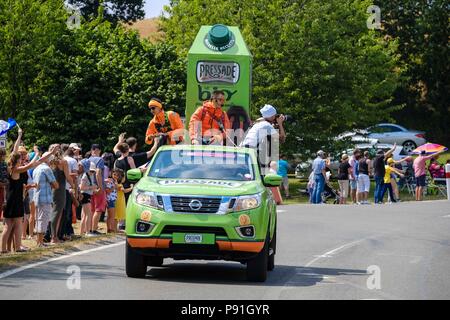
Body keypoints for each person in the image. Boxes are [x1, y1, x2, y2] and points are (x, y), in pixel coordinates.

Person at [240, 104, 286, 174]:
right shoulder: (266, 125)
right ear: (272, 116)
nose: (275, 117)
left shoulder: (258, 124)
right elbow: (282, 139)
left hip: (244, 149)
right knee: (262, 172)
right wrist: (280, 124)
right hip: (251, 150)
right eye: (275, 115)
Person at [48, 144, 75, 244]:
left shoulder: (50, 162)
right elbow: (68, 177)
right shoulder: (63, 162)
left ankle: (53, 235)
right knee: (57, 213)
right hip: (60, 190)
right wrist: (73, 186)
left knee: (54, 212)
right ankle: (54, 237)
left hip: (51, 189)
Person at [33, 150, 60, 247]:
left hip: (37, 196)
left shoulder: (36, 168)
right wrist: (54, 184)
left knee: (38, 218)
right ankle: (40, 242)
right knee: (43, 219)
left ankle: (39, 241)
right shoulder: (46, 169)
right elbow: (55, 184)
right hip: (45, 197)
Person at [89, 144, 107, 234]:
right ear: (97, 150)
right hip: (97, 185)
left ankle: (89, 229)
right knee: (98, 208)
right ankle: (94, 229)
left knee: (92, 209)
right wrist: (100, 186)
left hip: (89, 186)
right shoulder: (100, 160)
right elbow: (98, 173)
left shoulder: (88, 159)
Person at [79, 160, 98, 237]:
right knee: (88, 214)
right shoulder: (85, 175)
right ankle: (87, 232)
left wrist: (94, 189)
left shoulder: (91, 175)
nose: (92, 172)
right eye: (91, 171)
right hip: (85, 195)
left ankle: (81, 232)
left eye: (93, 171)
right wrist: (92, 187)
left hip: (87, 194)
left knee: (84, 215)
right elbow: (82, 187)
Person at [114, 168, 133, 233]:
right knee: (116, 215)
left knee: (116, 215)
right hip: (118, 201)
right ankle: (115, 229)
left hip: (119, 200)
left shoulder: (116, 183)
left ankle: (115, 228)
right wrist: (131, 188)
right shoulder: (119, 185)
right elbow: (124, 191)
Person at [0, 148, 7, 222]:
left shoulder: (5, 163)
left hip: (4, 187)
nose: (4, 156)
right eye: (3, 155)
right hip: (1, 186)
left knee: (2, 205)